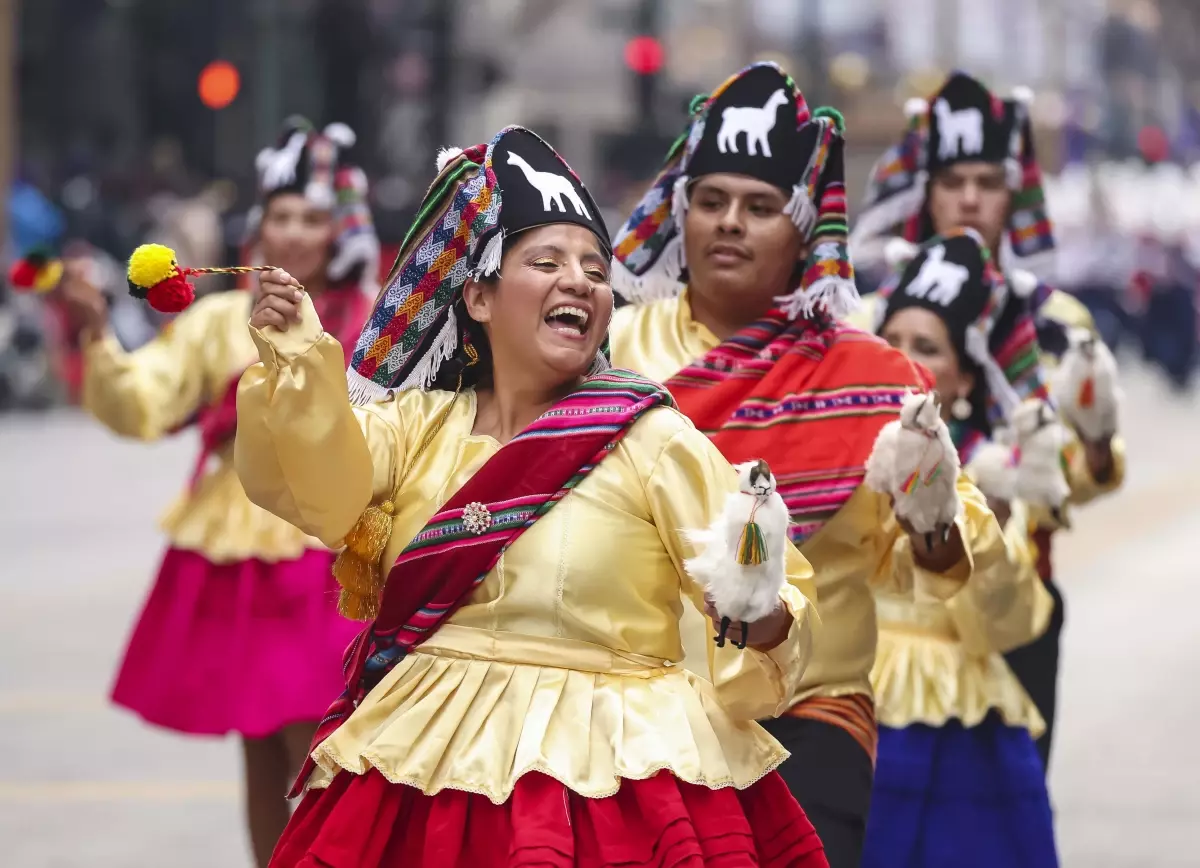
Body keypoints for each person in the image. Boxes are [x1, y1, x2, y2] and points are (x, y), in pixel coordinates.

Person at [236, 126, 829, 868]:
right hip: (428, 766)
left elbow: (771, 604)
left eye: (592, 268)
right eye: (545, 262)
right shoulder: (416, 427)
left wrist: (761, 612)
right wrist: (296, 361)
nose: (578, 281)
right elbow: (317, 490)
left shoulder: (650, 438)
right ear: (479, 297)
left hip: (609, 783)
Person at [608, 62, 1011, 868]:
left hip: (808, 718)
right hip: (637, 716)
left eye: (760, 208)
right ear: (681, 214)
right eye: (712, 202)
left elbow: (955, 564)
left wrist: (931, 516)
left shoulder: (871, 376)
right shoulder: (614, 353)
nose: (729, 224)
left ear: (803, 233)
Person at [58, 119, 378, 868]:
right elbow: (143, 404)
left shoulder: (371, 325)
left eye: (311, 218)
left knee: (325, 751)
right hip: (237, 546)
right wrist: (98, 335)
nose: (294, 233)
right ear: (259, 228)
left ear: (339, 231)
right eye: (281, 217)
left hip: (327, 550)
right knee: (260, 751)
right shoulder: (214, 324)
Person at [851, 71, 1127, 772]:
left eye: (988, 180)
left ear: (1016, 192)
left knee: (1008, 821)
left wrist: (1093, 449)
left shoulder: (1055, 323)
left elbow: (1073, 483)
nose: (970, 197)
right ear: (926, 189)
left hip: (1014, 600)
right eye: (952, 181)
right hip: (887, 616)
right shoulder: (871, 315)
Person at [863, 228, 1058, 867]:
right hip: (857, 706)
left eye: (927, 348)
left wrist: (965, 525)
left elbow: (1018, 618)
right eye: (889, 341)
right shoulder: (831, 457)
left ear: (965, 379)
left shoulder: (991, 476)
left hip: (966, 725)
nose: (903, 359)